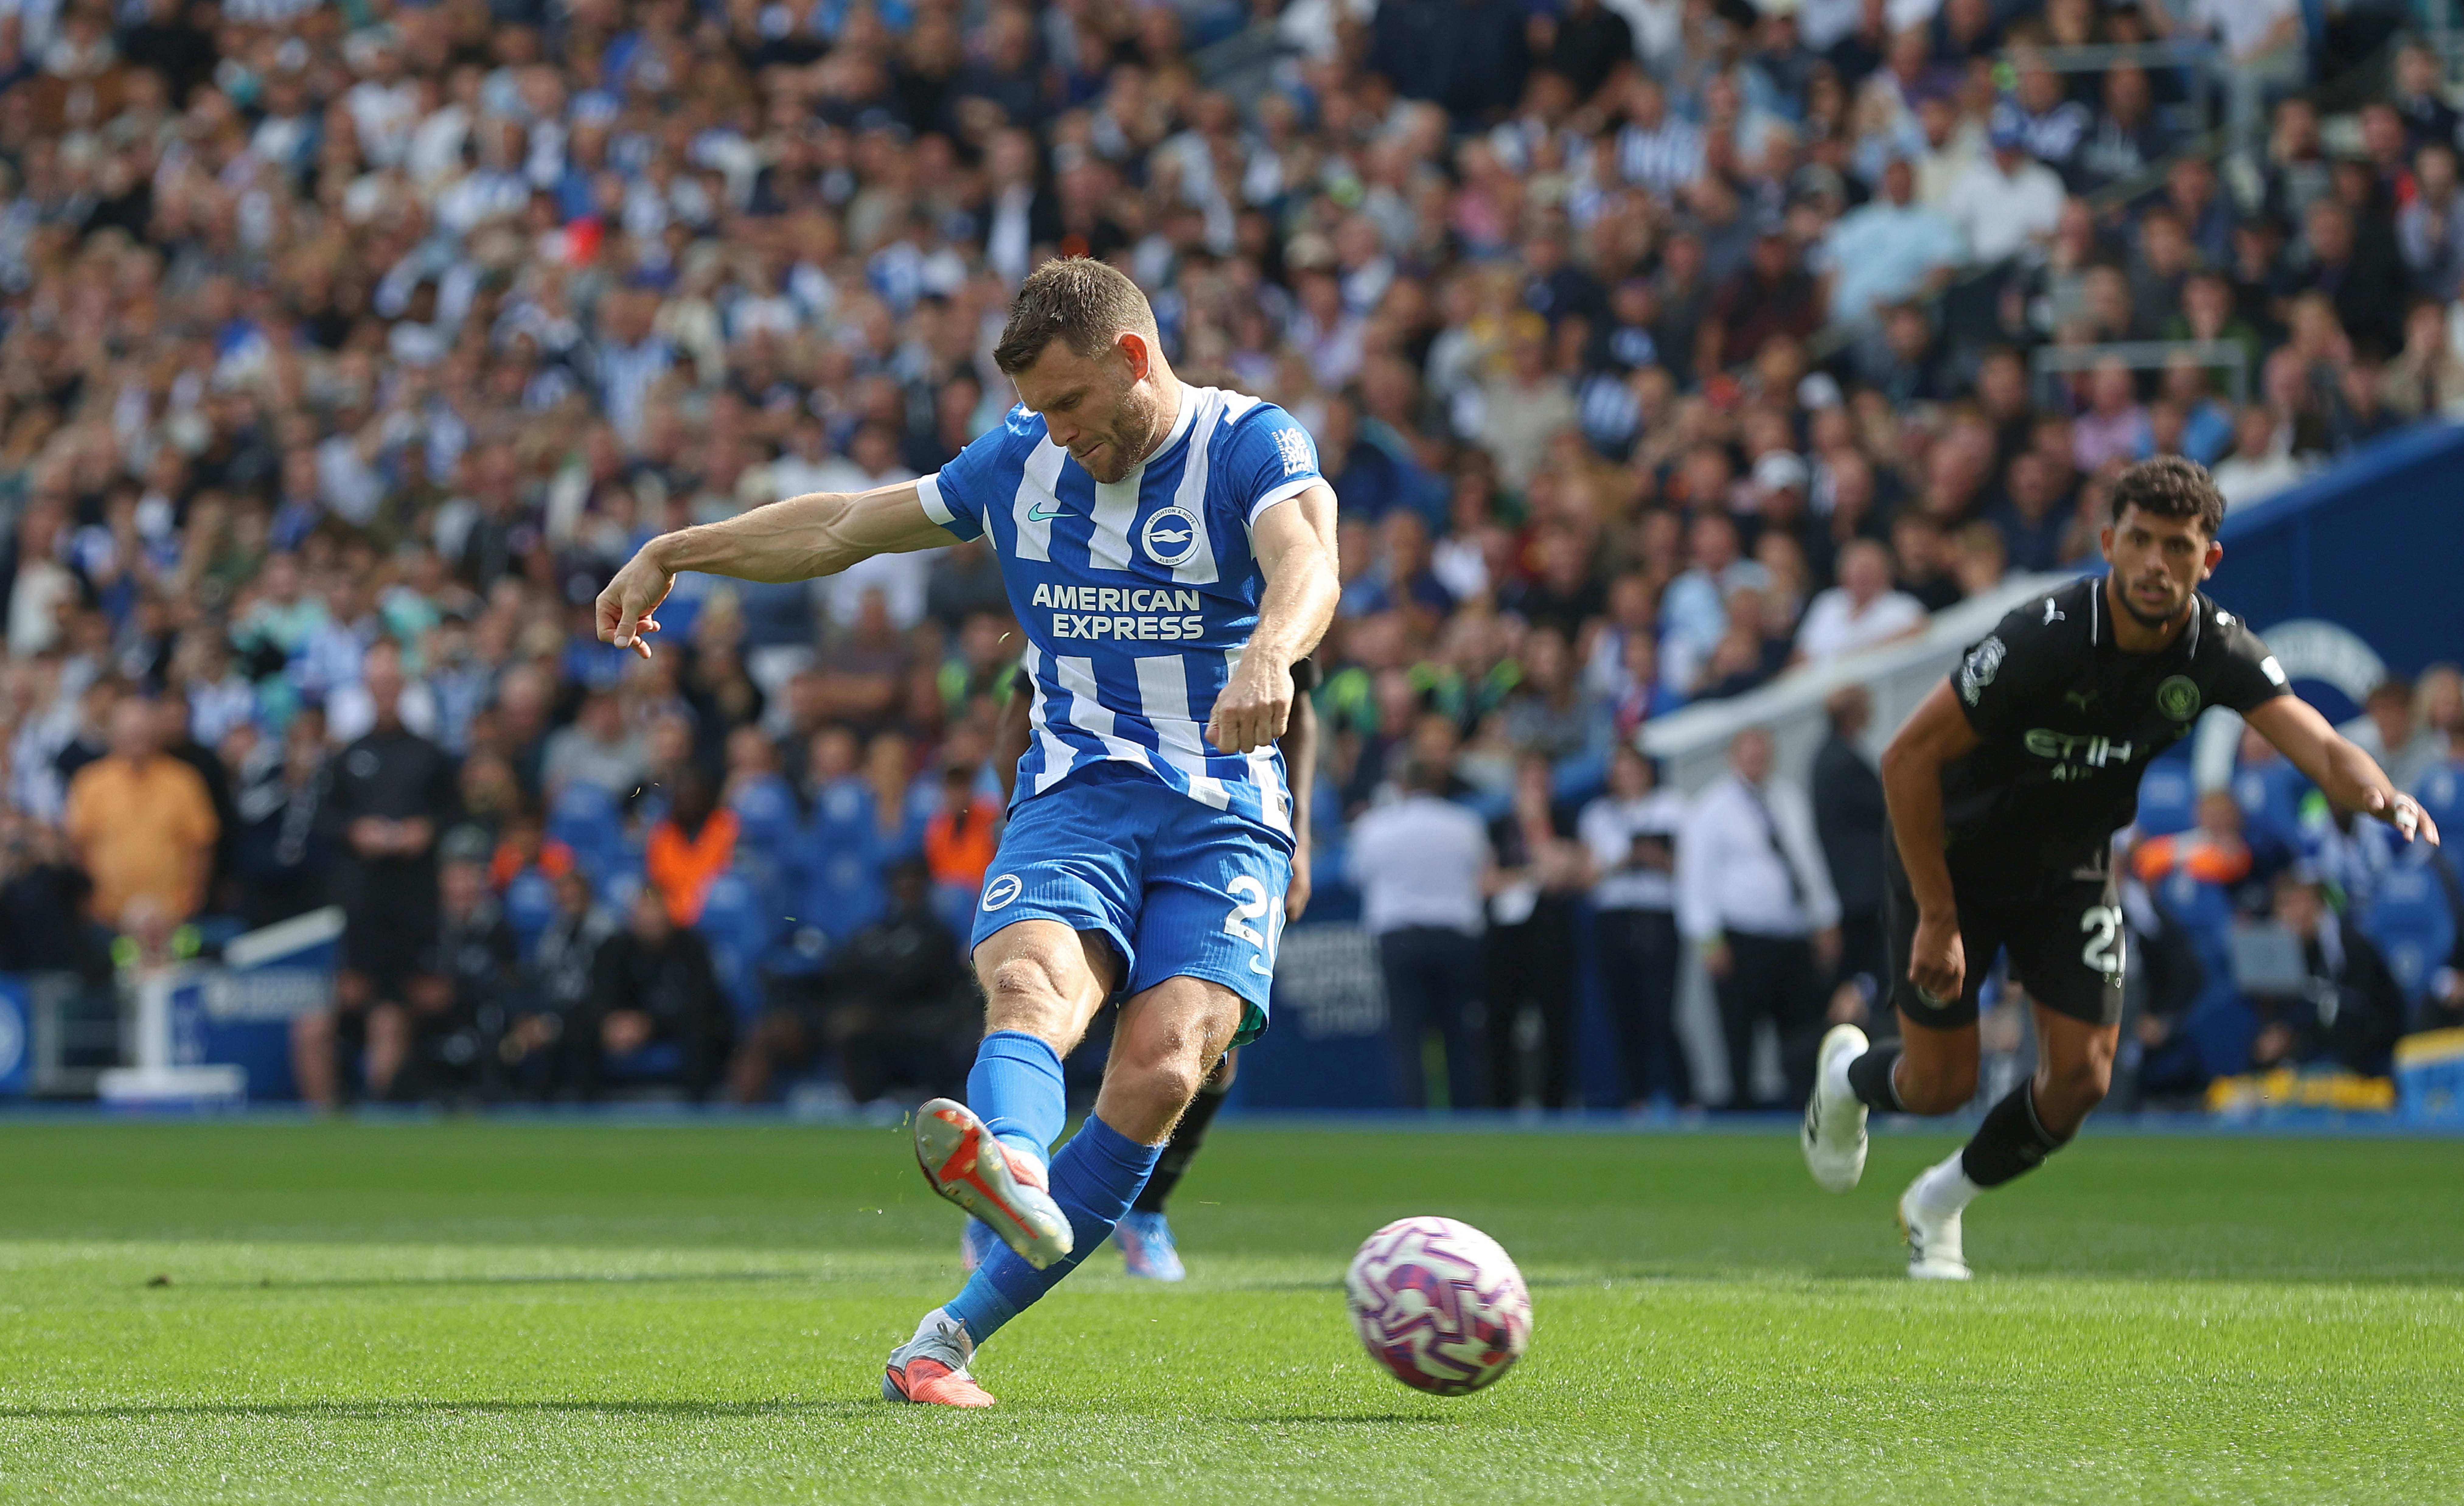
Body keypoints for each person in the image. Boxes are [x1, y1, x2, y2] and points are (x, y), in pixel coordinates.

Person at [594, 257, 1341, 1407]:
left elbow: (1307, 560)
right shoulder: (1022, 459)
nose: (1054, 430)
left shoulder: (1248, 443)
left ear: (1133, 360)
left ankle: (941, 1340)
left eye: (1070, 404)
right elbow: (845, 525)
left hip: (1222, 812)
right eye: (1039, 409)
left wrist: (1265, 652)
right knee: (1034, 990)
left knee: (1162, 1071)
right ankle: (1016, 1172)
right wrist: (677, 549)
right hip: (1078, 790)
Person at [1799, 457, 2439, 1279]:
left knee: (2079, 1079)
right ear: (2107, 542)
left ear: (2206, 560)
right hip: (1952, 864)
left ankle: (1937, 1202)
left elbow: (2314, 738)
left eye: (2176, 546)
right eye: (2138, 541)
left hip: (2067, 868)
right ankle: (1849, 1077)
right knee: (1936, 1083)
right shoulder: (2043, 634)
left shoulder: (2215, 647)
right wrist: (1935, 913)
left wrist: (2384, 796)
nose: (2153, 563)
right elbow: (1905, 762)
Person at [975, 658, 1324, 1279]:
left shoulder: (1262, 587)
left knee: (1199, 1050)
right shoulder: (1080, 575)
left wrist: (1299, 837)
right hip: (1090, 816)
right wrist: (1025, 830)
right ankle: (1014, 1175)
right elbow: (1017, 714)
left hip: (1219, 824)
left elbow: (1296, 710)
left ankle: (1145, 1209)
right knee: (1045, 996)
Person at [291, 645, 459, 1108]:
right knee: (342, 1009)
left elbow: (453, 810)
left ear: (402, 689)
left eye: (392, 683)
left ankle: (396, 1101)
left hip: (414, 906)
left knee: (400, 1013)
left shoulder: (428, 754)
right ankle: (336, 1111)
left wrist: (423, 831)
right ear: (367, 690)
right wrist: (356, 831)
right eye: (377, 684)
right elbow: (324, 820)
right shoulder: (349, 756)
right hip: (363, 903)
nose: (385, 693)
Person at [1678, 726, 1841, 1110]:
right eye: (1748, 752)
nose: (1756, 760)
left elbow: (1809, 864)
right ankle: (1742, 1112)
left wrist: (1826, 916)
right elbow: (1697, 879)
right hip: (1741, 938)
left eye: (1762, 752)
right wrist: (1709, 940)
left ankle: (1805, 1108)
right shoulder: (1712, 808)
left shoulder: (1787, 799)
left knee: (1801, 1034)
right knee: (1740, 1037)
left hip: (1791, 935)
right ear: (1732, 756)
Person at [1346, 755, 1492, 1111]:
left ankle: (1413, 1119)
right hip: (1457, 939)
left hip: (1401, 940)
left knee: (1406, 1037)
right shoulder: (1466, 824)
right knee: (1460, 1035)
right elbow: (1484, 874)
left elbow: (1355, 876)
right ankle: (1469, 1118)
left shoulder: (1374, 827)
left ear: (1400, 785)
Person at [1579, 742, 1692, 1110]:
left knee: (1661, 1011)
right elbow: (1589, 876)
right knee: (1624, 1010)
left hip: (1657, 915)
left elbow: (1689, 870)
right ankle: (1636, 1097)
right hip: (1615, 917)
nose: (1626, 775)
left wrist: (1657, 859)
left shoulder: (1673, 807)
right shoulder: (1597, 815)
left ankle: (1685, 1096)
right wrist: (1624, 860)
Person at [1483, 752, 1588, 1110]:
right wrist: (1530, 877)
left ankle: (1556, 1105)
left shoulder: (1564, 820)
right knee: (1501, 1025)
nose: (1535, 790)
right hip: (1505, 939)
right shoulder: (1497, 826)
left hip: (1552, 933)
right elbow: (1486, 882)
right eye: (1529, 782)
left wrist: (1537, 826)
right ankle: (1503, 1107)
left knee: (1556, 1023)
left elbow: (1562, 874)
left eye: (1542, 782)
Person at [61, 698, 219, 931]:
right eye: (130, 734)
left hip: (173, 916)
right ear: (113, 736)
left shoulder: (184, 781)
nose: (138, 742)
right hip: (108, 916)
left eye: (144, 734)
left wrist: (194, 895)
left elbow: (201, 844)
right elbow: (77, 847)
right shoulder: (90, 783)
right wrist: (87, 901)